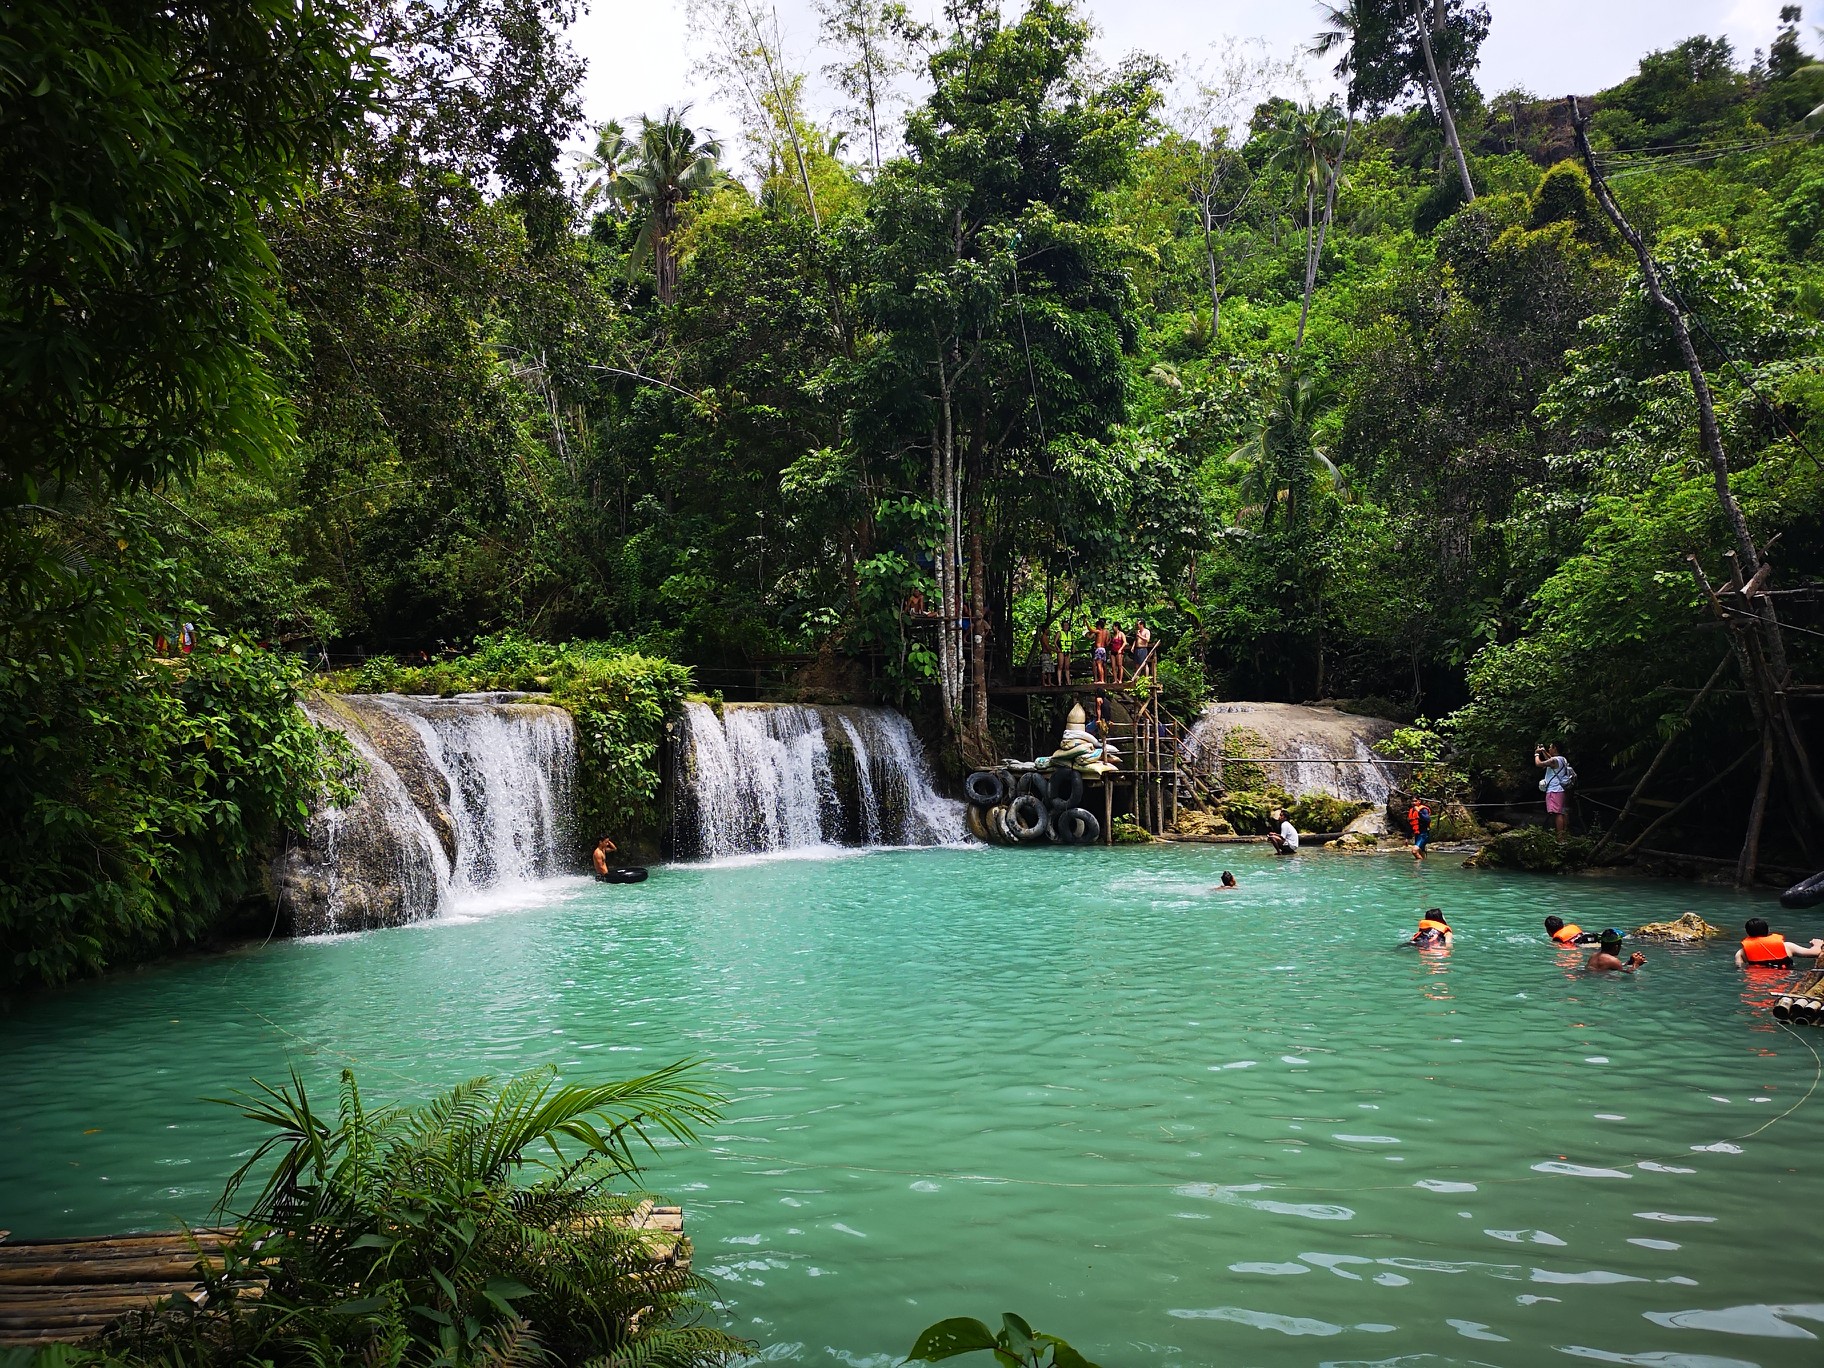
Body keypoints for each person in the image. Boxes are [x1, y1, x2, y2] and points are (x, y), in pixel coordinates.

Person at [1735, 917, 1824, 970]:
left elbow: (1741, 970)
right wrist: (1818, 944)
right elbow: (1815, 953)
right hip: (1786, 977)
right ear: (1768, 930)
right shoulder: (1787, 946)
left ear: (1748, 933)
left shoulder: (1741, 953)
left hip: (1757, 983)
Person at [1534, 741, 1573, 840]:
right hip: (1562, 789)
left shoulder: (1554, 761)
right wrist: (1543, 751)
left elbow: (1539, 764)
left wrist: (1537, 754)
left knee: (1558, 814)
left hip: (1554, 790)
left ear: (1555, 748)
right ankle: (1566, 835)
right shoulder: (1562, 759)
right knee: (1563, 812)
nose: (1549, 749)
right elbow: (1550, 759)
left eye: (1550, 747)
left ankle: (1560, 838)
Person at [1092, 618, 1110, 683]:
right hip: (1103, 649)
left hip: (1099, 649)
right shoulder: (1106, 632)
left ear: (1099, 626)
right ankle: (1102, 679)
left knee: (1099, 665)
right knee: (1101, 665)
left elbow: (1090, 630)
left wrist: (1086, 623)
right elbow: (1107, 642)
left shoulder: (1098, 631)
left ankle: (1102, 680)